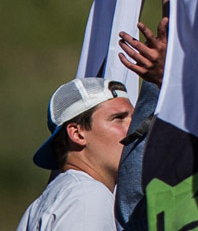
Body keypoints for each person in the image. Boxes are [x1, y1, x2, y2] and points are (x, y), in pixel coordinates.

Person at [18, 78, 132, 231]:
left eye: (134, 118)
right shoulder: (87, 196)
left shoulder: (37, 207)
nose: (135, 127)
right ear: (77, 134)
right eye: (118, 118)